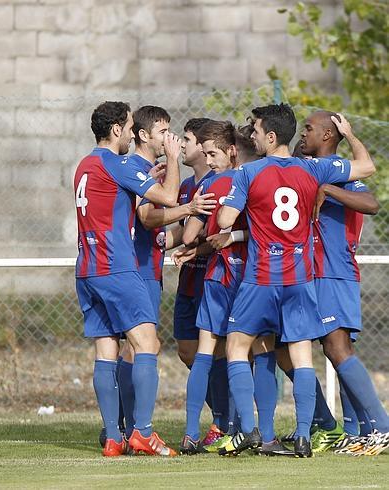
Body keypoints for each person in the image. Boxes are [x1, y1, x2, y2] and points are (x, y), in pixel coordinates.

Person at [216, 104, 376, 457]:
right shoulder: (314, 168)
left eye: (255, 131)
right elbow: (366, 167)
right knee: (303, 356)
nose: (253, 136)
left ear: (271, 136)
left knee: (238, 348)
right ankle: (304, 436)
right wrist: (349, 135)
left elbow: (226, 219)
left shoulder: (249, 172)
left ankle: (248, 430)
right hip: (301, 278)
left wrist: (231, 202)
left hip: (260, 279)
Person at [74, 101, 180, 457]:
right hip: (116, 267)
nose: (132, 133)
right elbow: (166, 198)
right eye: (130, 126)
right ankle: (143, 432)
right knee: (147, 345)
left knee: (106, 350)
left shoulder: (85, 165)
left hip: (87, 269)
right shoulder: (114, 163)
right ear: (117, 129)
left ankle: (113, 438)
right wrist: (175, 160)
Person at [116, 107, 217, 441]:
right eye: (164, 132)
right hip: (137, 271)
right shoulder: (136, 167)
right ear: (144, 135)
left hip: (149, 268)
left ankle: (124, 429)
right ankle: (131, 429)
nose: (170, 140)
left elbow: (159, 230)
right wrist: (187, 208)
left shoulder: (151, 171)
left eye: (177, 135)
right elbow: (148, 216)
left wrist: (179, 240)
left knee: (136, 347)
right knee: (139, 347)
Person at [301, 111, 388, 456]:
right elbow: (298, 153)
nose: (304, 132)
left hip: (335, 271)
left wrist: (328, 190)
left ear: (327, 136)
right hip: (319, 273)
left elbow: (372, 204)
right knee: (334, 351)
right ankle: (356, 430)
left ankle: (380, 425)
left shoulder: (341, 171)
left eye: (309, 128)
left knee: (339, 350)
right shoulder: (311, 169)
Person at [176, 120, 248, 454]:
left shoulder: (216, 183)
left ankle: (193, 432)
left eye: (213, 153)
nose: (211, 160)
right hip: (250, 276)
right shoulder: (254, 178)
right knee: (252, 354)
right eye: (206, 153)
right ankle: (247, 429)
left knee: (207, 352)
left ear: (231, 151)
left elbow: (191, 235)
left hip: (219, 278)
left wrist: (196, 237)